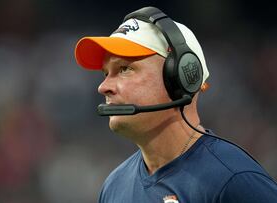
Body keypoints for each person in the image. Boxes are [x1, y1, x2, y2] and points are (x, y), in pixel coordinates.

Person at [74, 6, 277, 203]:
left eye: (125, 69)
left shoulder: (234, 181)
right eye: (106, 73)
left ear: (179, 77)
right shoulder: (114, 186)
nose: (103, 86)